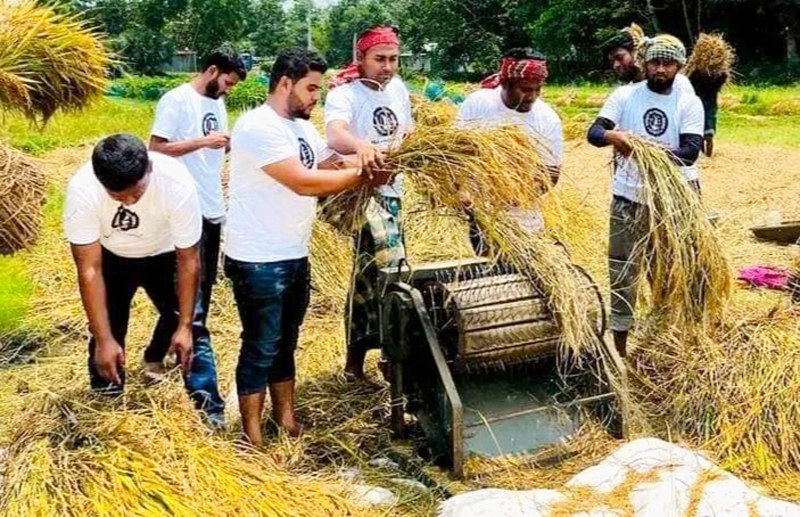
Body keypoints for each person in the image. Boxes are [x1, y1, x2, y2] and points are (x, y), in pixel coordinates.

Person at [224, 48, 388, 445]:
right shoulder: (257, 127)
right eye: (311, 88)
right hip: (258, 259)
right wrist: (362, 179)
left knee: (287, 340)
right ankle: (252, 433)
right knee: (261, 344)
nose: (317, 96)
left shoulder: (301, 127)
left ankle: (286, 418)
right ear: (284, 84)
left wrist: (371, 158)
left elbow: (327, 165)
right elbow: (304, 181)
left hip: (293, 253)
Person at [64, 134, 224, 426]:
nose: (128, 201)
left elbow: (189, 260)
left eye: (135, 194)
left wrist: (185, 325)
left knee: (193, 334)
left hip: (166, 256)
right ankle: (104, 410)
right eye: (118, 196)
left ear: (149, 168)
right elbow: (89, 269)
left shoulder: (176, 182)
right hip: (112, 258)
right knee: (108, 333)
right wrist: (103, 339)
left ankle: (209, 414)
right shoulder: (83, 189)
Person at [587, 34, 705, 358]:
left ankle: (673, 337)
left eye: (668, 64)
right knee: (623, 268)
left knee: (677, 265)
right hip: (629, 197)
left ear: (679, 66)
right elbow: (594, 132)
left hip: (676, 198)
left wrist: (643, 150)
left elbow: (690, 152)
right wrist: (613, 135)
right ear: (645, 63)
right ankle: (622, 347)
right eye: (655, 62)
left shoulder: (688, 101)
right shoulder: (625, 96)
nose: (661, 70)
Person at [147, 49, 246, 390]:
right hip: (184, 209)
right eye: (228, 82)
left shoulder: (217, 103)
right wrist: (204, 141)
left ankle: (166, 351)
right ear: (213, 70)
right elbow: (155, 149)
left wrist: (235, 144)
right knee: (187, 295)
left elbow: (216, 149)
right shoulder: (176, 100)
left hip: (213, 206)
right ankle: (167, 362)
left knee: (202, 290)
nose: (229, 89)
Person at [324, 25, 414, 381]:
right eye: (379, 59)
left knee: (371, 279)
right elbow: (335, 133)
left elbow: (406, 133)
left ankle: (361, 362)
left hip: (394, 194)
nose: (388, 66)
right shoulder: (345, 94)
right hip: (361, 196)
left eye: (393, 59)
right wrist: (360, 146)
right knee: (390, 267)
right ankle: (388, 361)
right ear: (360, 59)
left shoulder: (398, 90)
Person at [456, 48, 563, 253]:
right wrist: (463, 189)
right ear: (505, 83)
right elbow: (455, 152)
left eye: (537, 89)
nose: (532, 96)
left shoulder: (547, 119)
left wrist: (517, 195)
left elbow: (551, 174)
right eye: (524, 89)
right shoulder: (479, 103)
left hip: (522, 214)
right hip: (475, 208)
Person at [605, 24, 718, 156]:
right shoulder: (625, 93)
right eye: (612, 61)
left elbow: (687, 145)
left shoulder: (678, 84)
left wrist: (650, 155)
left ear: (636, 52)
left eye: (620, 57)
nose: (616, 65)